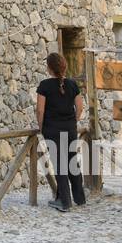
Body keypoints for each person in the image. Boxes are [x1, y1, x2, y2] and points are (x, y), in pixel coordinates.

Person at [36, 52, 87, 212]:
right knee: (73, 162)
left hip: (52, 129)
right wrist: (73, 121)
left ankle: (64, 202)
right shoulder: (72, 85)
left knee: (59, 165)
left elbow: (40, 110)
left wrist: (41, 127)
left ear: (50, 68)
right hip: (70, 128)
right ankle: (79, 198)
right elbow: (80, 108)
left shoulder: (44, 85)